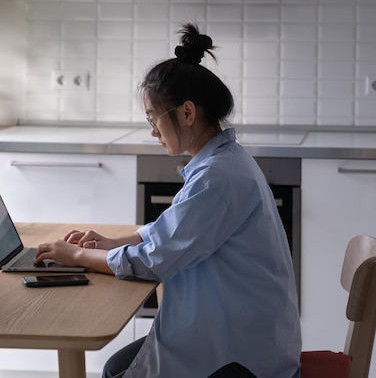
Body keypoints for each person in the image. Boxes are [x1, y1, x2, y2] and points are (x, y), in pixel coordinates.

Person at [35, 22, 301, 378]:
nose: (152, 131)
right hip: (242, 332)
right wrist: (114, 242)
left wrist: (79, 256)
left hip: (241, 357)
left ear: (187, 113)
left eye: (153, 118)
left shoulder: (216, 177)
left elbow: (153, 260)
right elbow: (174, 230)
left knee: (115, 371)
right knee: (116, 367)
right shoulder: (222, 160)